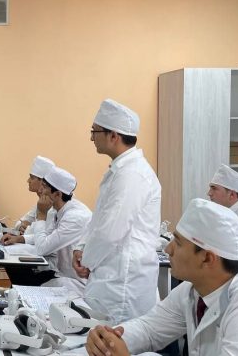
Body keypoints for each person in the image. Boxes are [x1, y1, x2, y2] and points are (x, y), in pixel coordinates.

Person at [86, 198, 238, 356]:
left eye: (177, 243)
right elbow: (150, 329)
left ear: (207, 258)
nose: (168, 249)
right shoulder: (194, 291)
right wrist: (108, 339)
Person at [73, 99, 161, 323]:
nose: (91, 138)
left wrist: (87, 261)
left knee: (113, 338)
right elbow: (98, 220)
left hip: (123, 285)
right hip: (109, 277)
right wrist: (80, 248)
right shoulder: (119, 171)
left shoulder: (132, 175)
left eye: (95, 131)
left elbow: (110, 232)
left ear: (113, 136)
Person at [1, 166, 91, 294]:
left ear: (57, 194)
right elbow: (48, 236)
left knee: (22, 280)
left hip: (74, 281)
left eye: (44, 187)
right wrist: (19, 238)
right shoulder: (57, 208)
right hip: (60, 273)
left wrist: (41, 216)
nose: (40, 190)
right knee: (13, 266)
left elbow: (42, 248)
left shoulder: (74, 217)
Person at [15, 156, 57, 234]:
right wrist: (21, 226)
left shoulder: (53, 205)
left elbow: (44, 234)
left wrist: (29, 228)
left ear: (43, 182)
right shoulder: (41, 202)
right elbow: (19, 222)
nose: (28, 181)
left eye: (32, 177)